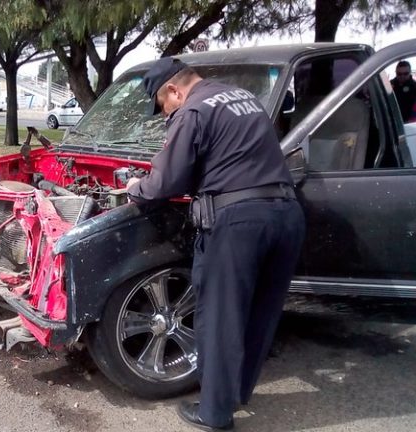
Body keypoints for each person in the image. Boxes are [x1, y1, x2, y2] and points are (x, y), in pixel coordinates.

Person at [126, 58, 306, 431]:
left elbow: (166, 184)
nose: (165, 114)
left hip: (238, 223)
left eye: (163, 106)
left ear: (174, 90)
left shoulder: (191, 111)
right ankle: (236, 392)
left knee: (221, 316)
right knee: (261, 312)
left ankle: (214, 413)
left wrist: (134, 188)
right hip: (287, 215)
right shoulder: (243, 97)